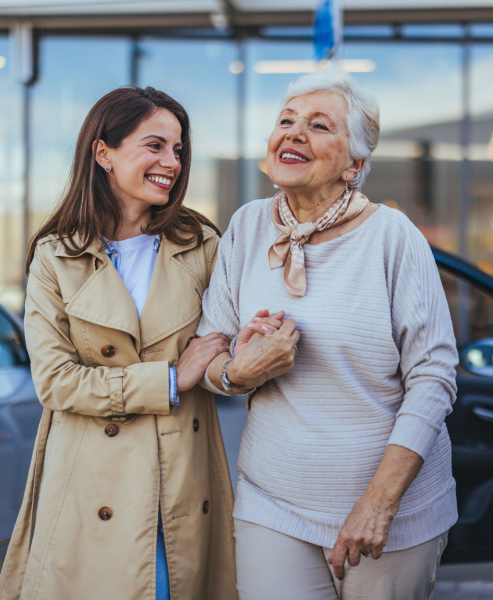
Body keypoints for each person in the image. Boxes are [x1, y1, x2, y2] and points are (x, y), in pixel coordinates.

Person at [196, 68, 459, 599]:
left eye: (319, 125)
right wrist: (238, 372)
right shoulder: (246, 227)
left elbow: (434, 376)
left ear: (355, 165)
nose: (293, 133)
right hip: (272, 501)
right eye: (286, 121)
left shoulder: (392, 237)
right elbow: (210, 350)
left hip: (390, 510)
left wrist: (378, 503)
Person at [0, 86, 239, 599]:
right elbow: (56, 383)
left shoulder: (202, 245)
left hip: (180, 480)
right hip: (89, 486)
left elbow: (230, 351)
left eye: (178, 149)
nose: (170, 162)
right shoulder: (55, 256)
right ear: (103, 152)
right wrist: (171, 378)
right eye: (154, 146)